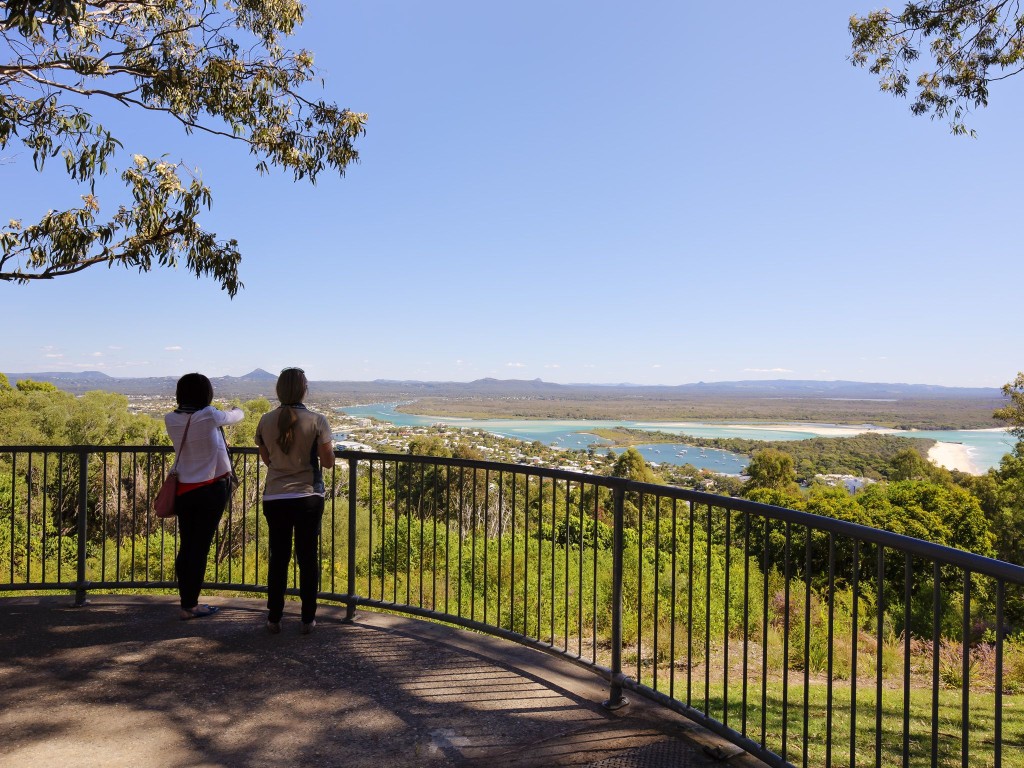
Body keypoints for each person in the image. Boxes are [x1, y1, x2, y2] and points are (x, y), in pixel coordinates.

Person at [256, 367, 335, 634]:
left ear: (278, 390)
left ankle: (274, 617)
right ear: (304, 390)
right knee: (307, 557)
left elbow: (267, 460)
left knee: (278, 556)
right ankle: (307, 618)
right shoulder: (317, 420)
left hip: (275, 497)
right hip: (307, 497)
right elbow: (328, 462)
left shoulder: (265, 420)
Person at [164, 373, 244, 620]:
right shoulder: (209, 415)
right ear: (206, 393)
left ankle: (186, 600)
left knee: (188, 545)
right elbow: (236, 416)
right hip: (210, 489)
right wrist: (236, 407)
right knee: (200, 548)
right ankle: (191, 605)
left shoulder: (170, 418)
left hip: (185, 490)